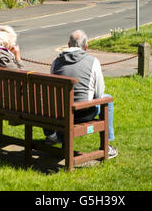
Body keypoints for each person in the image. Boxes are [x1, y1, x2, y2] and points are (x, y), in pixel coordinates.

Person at [45, 29, 117, 159]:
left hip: (60, 113)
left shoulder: (56, 61)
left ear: (68, 45)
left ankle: (53, 137)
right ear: (86, 46)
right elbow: (99, 93)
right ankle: (107, 145)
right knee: (107, 99)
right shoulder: (93, 61)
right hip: (83, 113)